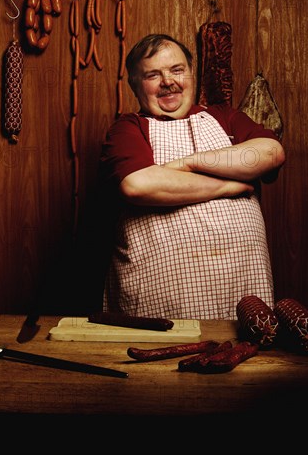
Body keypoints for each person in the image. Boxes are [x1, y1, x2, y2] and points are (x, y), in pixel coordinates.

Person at [98, 34, 285, 320]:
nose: (168, 81)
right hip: (159, 292)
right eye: (152, 75)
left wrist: (186, 164)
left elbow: (270, 153)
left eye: (176, 70)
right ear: (136, 85)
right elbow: (138, 184)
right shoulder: (129, 128)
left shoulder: (224, 117)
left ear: (190, 74)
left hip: (241, 284)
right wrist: (225, 185)